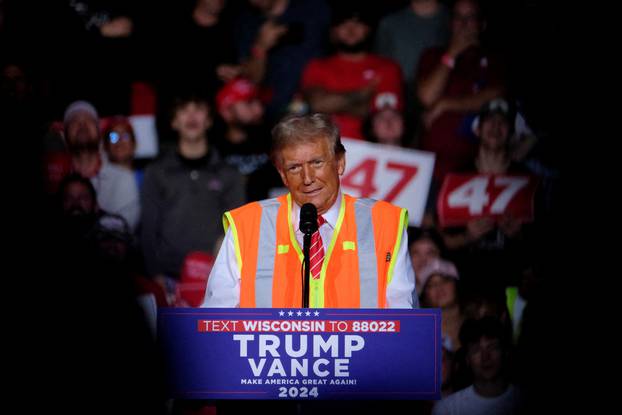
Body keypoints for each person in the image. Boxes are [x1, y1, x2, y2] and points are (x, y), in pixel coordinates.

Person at [202, 113, 416, 308]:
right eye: (294, 167)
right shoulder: (247, 226)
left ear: (340, 162)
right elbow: (216, 320)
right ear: (283, 175)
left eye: (317, 162)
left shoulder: (385, 223)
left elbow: (405, 322)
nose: (307, 178)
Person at [140, 95, 244, 285]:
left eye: (198, 108)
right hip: (168, 279)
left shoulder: (229, 174)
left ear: (209, 120)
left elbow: (238, 230)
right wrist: (155, 276)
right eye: (184, 110)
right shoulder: (156, 172)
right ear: (173, 121)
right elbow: (148, 229)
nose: (191, 116)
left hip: (217, 280)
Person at [416, 0, 505, 183]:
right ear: (451, 23)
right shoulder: (433, 56)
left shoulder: (494, 59)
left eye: (470, 17)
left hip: (477, 168)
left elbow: (496, 94)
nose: (464, 23)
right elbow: (427, 96)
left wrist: (445, 104)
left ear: (482, 24)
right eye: (458, 17)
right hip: (431, 167)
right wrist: (452, 53)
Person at [300, 5, 403, 140]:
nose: (350, 29)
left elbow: (378, 115)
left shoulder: (387, 68)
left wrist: (332, 103)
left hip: (370, 152)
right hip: (324, 149)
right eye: (343, 23)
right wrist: (361, 94)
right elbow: (317, 104)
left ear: (369, 28)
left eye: (357, 22)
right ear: (333, 30)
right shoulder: (317, 66)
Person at [62, 100, 141, 230]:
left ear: (99, 133)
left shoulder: (124, 181)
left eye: (89, 121)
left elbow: (119, 237)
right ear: (64, 136)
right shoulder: (52, 179)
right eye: (74, 121)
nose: (82, 125)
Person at [432, 316, 523, 415]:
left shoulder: (522, 400)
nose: (485, 357)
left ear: (505, 352)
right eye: (476, 350)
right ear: (467, 359)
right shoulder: (447, 409)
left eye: (492, 347)